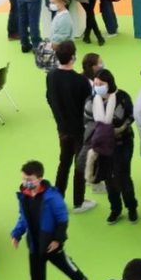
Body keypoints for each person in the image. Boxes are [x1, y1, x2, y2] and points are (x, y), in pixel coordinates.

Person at [10, 160, 89, 280]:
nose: (26, 182)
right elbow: (23, 218)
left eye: (29, 179)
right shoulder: (24, 196)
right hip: (34, 244)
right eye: (24, 179)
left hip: (51, 243)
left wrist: (58, 240)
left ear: (39, 179)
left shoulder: (52, 197)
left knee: (65, 265)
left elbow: (62, 219)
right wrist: (17, 234)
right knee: (36, 276)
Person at [46, 40, 96, 213]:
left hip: (62, 128)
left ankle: (58, 199)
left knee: (64, 163)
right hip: (80, 129)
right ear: (73, 57)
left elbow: (49, 98)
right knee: (80, 165)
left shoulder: (51, 76)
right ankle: (78, 201)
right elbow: (89, 107)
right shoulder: (81, 81)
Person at [86, 69, 138, 224]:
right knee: (109, 178)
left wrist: (119, 129)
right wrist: (99, 133)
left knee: (123, 176)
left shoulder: (122, 97)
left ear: (109, 83)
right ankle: (115, 209)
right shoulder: (91, 100)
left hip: (123, 143)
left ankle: (131, 207)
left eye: (101, 84)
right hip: (103, 146)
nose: (97, 87)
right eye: (96, 84)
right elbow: (87, 121)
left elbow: (131, 115)